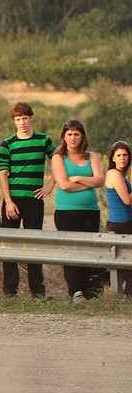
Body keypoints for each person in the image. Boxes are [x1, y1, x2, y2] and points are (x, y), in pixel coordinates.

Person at [0, 102, 56, 298]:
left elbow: (58, 160)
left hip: (34, 200)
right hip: (13, 200)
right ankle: (10, 290)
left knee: (34, 245)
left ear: (31, 118)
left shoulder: (43, 140)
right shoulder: (8, 143)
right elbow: (3, 174)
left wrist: (50, 185)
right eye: (17, 119)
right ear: (14, 121)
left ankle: (37, 291)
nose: (22, 122)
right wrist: (8, 201)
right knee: (9, 245)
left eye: (24, 118)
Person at [51, 120, 104, 302]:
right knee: (72, 251)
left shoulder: (92, 156)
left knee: (88, 250)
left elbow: (100, 180)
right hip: (67, 212)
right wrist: (88, 184)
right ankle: (75, 291)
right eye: (69, 134)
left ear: (82, 136)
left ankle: (87, 289)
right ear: (64, 137)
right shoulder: (58, 158)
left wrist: (79, 177)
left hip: (90, 211)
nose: (73, 138)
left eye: (76, 134)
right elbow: (64, 185)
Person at [104, 141, 132, 295]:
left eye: (125, 155)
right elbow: (127, 200)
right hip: (121, 223)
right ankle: (127, 294)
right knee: (126, 263)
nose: (122, 158)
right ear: (113, 158)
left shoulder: (122, 175)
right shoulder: (113, 174)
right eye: (119, 155)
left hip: (127, 221)